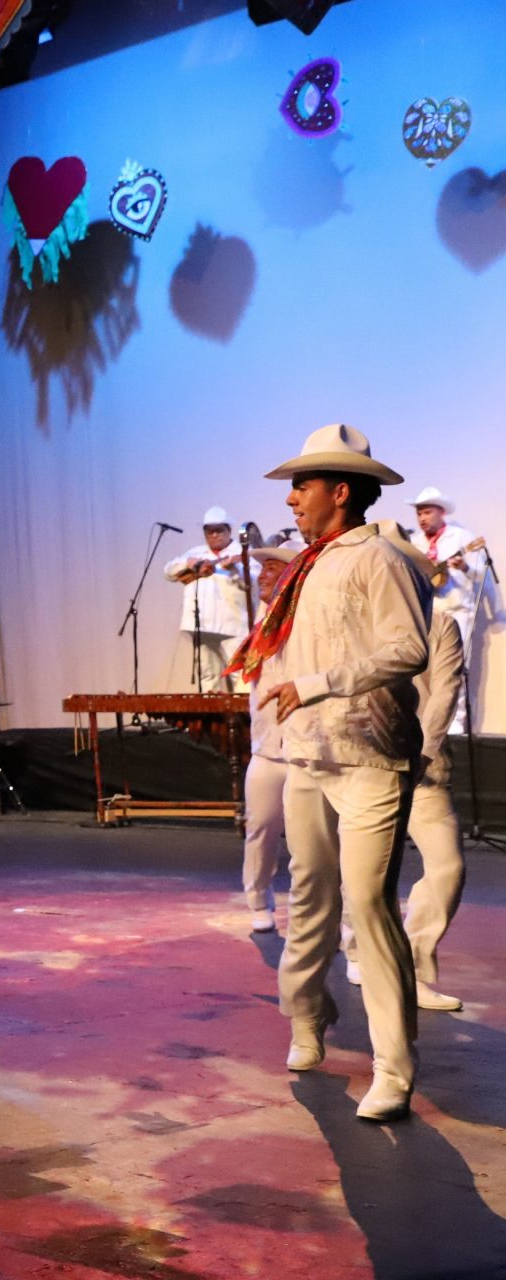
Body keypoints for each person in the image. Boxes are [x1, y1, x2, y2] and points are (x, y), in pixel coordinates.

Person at [232, 424, 428, 1122]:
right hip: (308, 754)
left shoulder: (382, 559)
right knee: (311, 895)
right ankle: (308, 1016)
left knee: (369, 903)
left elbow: (409, 648)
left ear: (340, 492)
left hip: (370, 755)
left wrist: (316, 684)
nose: (291, 500)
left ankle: (394, 1067)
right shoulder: (306, 568)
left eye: (301, 487)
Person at [339, 522, 469, 1014]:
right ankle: (359, 952)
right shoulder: (357, 626)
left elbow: (444, 693)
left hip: (423, 766)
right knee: (365, 870)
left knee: (448, 866)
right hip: (367, 759)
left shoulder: (441, 624)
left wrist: (425, 754)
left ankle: (412, 964)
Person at [239, 537, 301, 933]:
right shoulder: (261, 626)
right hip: (265, 747)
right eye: (262, 568)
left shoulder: (306, 624)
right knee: (260, 828)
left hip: (302, 749)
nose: (262, 575)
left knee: (308, 841)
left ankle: (316, 913)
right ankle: (259, 900)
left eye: (272, 568)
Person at [408, 486, 489, 735]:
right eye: (419, 513)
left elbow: (480, 575)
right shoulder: (414, 542)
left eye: (427, 512)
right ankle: (425, 719)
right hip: (426, 613)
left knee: (453, 668)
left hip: (456, 611)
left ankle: (455, 721)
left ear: (441, 512)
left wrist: (464, 567)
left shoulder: (462, 538)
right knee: (424, 669)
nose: (422, 518)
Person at [163, 506, 250, 692]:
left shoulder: (243, 552)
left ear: (229, 530)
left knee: (240, 675)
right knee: (208, 675)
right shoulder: (196, 553)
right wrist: (187, 563)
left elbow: (255, 581)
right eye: (210, 531)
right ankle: (212, 711)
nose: (215, 535)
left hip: (234, 624)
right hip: (202, 624)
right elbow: (168, 571)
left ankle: (243, 711)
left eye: (219, 530)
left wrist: (235, 569)